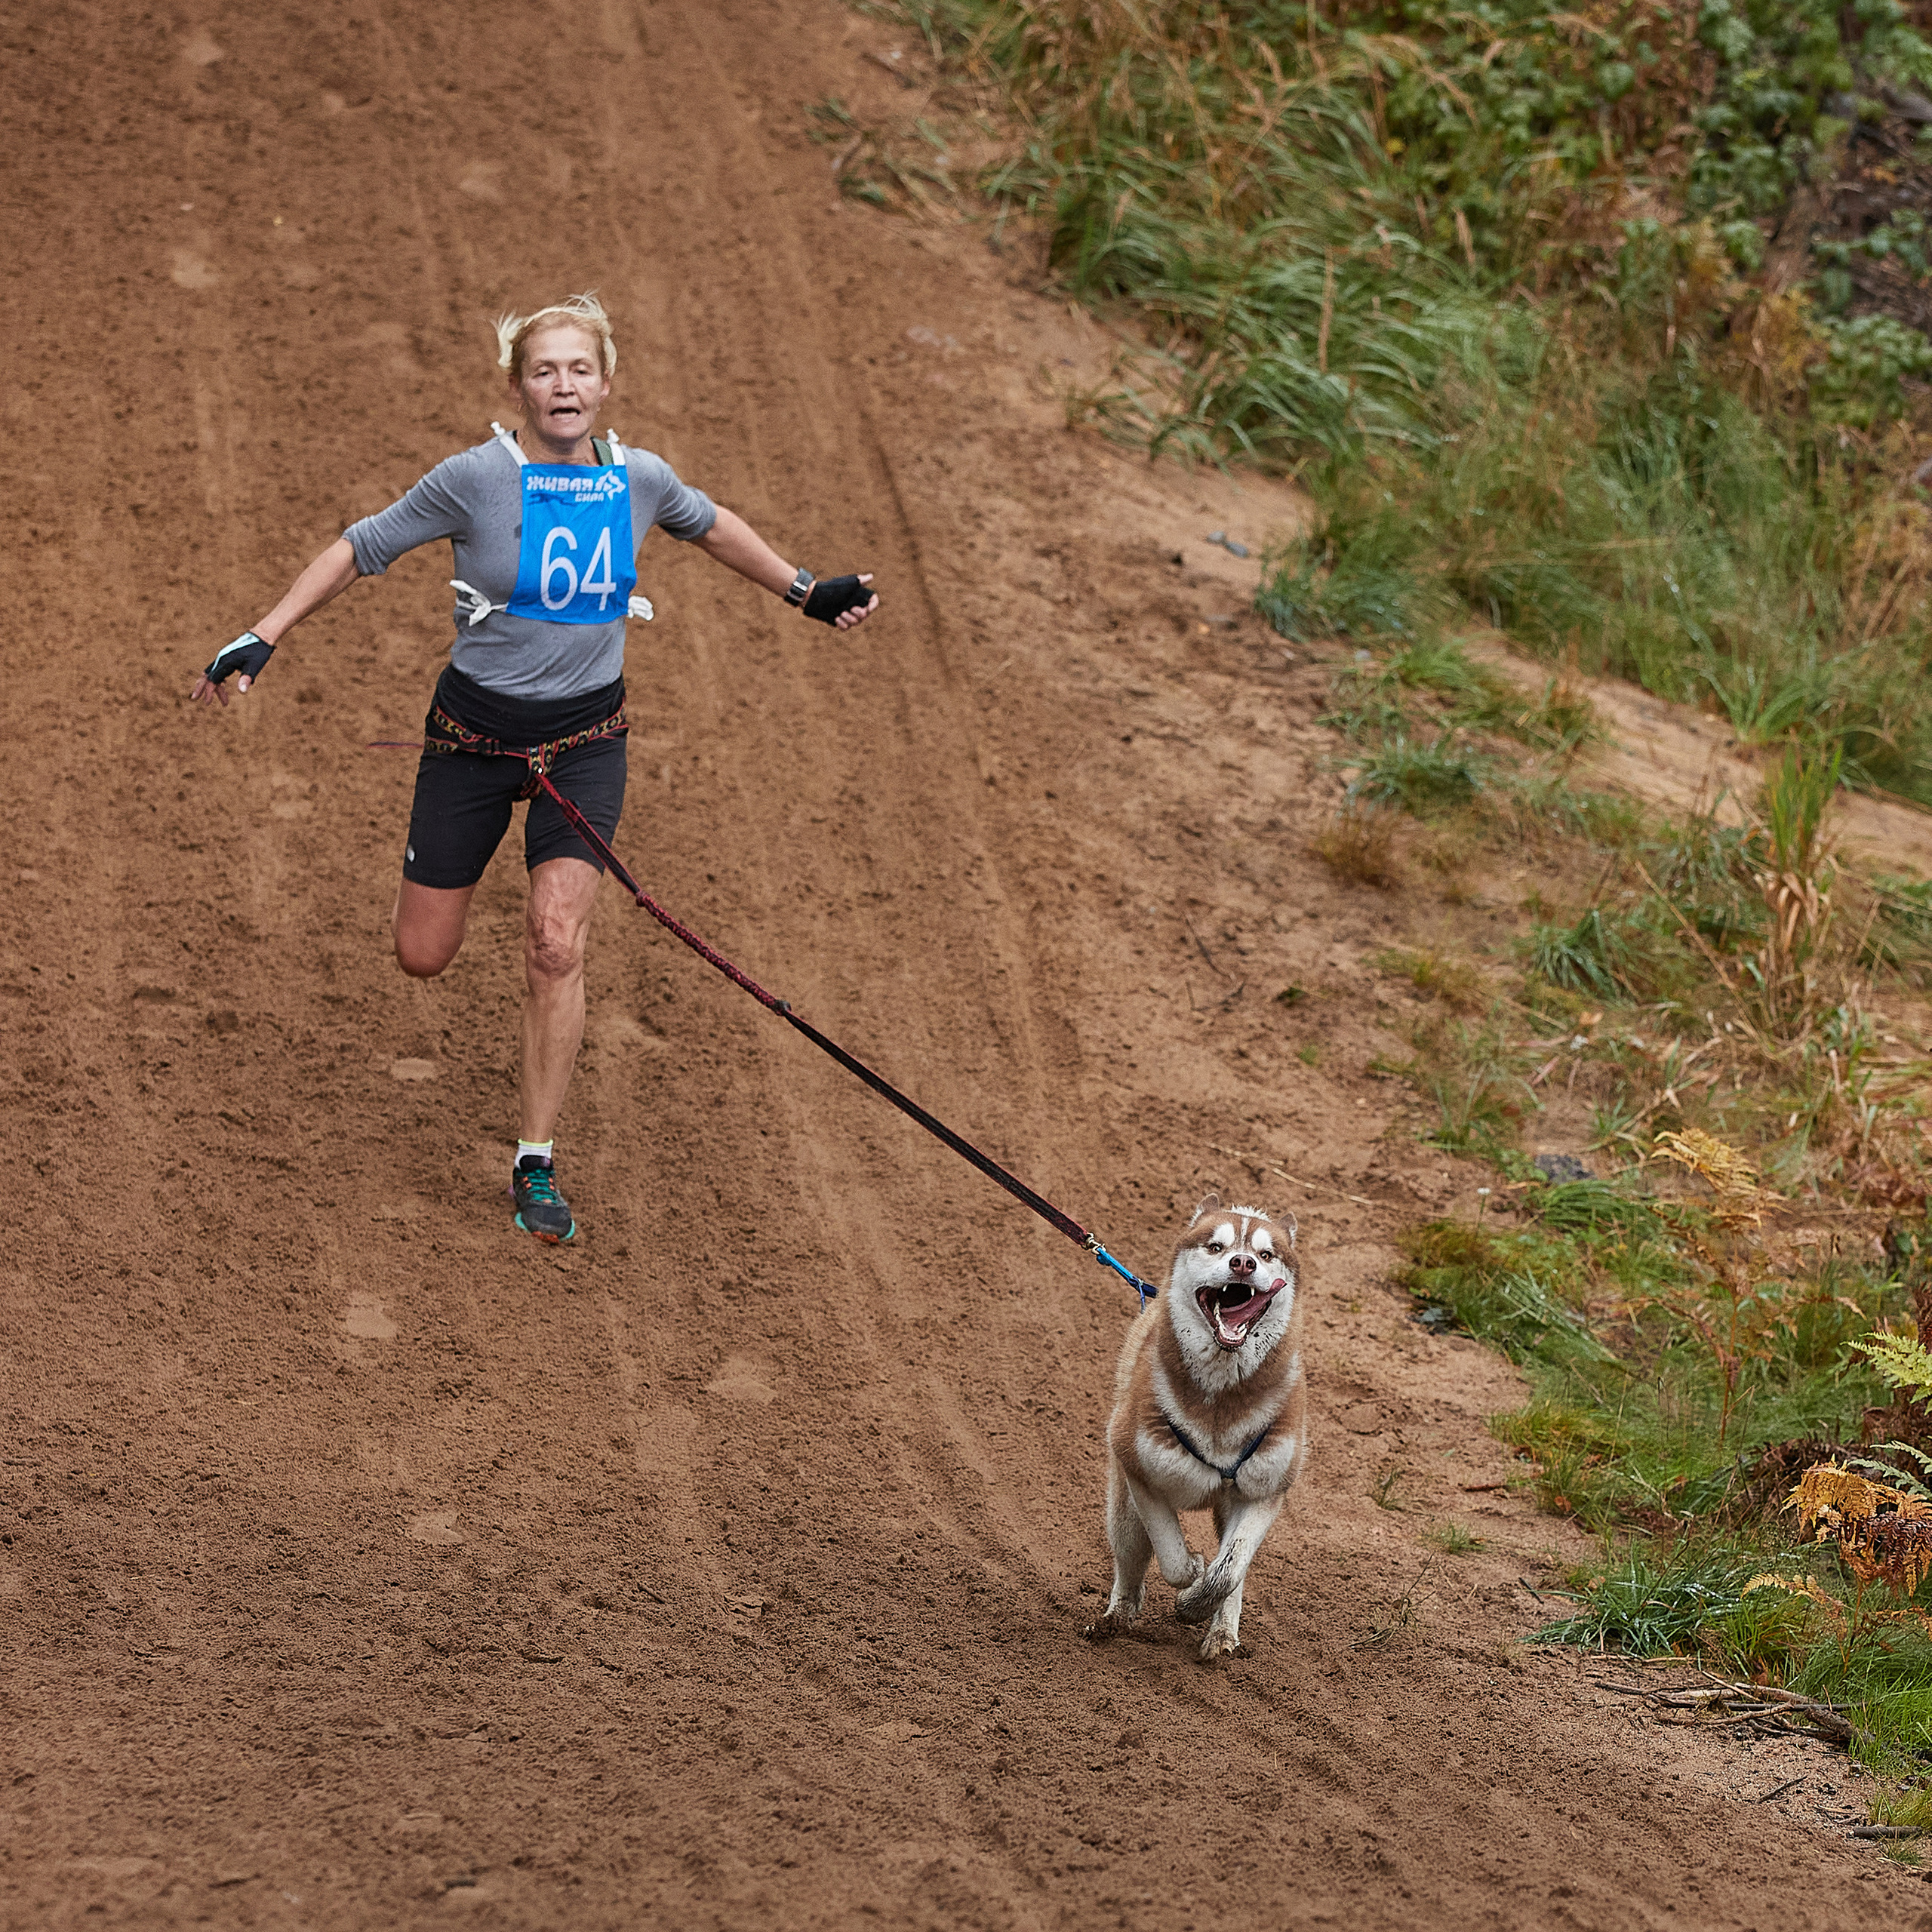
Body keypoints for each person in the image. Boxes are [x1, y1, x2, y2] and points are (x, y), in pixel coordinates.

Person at [190, 293, 878, 1244]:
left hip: (584, 744)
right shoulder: (473, 479)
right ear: (518, 385)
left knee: (556, 940)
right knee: (421, 954)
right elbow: (363, 544)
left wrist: (807, 591)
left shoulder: (639, 477)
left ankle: (534, 1160)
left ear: (605, 381)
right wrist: (264, 634)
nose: (565, 385)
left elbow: (709, 524)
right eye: (546, 370)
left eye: (580, 369)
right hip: (472, 740)